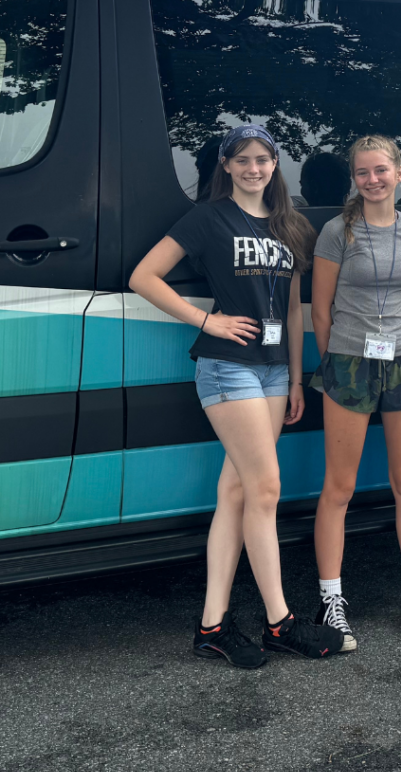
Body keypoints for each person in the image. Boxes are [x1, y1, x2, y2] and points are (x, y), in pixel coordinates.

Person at [129, 124, 344, 667]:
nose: (254, 168)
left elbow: (292, 308)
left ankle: (211, 626)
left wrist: (297, 378)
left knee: (237, 493)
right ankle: (280, 622)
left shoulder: (289, 225)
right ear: (226, 166)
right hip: (228, 368)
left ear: (276, 166)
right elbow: (143, 276)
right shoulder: (207, 218)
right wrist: (209, 321)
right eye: (243, 159)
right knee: (266, 489)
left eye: (263, 159)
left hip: (273, 371)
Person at [310, 136, 401, 649]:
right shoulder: (336, 232)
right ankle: (332, 600)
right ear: (354, 179)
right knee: (339, 487)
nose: (373, 180)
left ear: (399, 173)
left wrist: (393, 340)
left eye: (381, 170)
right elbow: (321, 310)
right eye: (362, 173)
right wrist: (338, 359)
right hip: (349, 363)